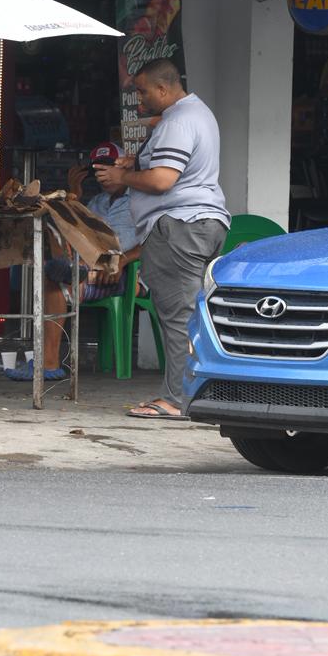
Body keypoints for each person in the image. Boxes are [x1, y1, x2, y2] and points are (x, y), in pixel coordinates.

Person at [95, 58, 229, 420]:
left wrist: (123, 179)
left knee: (177, 316)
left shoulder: (179, 121)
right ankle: (193, 394)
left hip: (179, 227)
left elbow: (162, 181)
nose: (139, 99)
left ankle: (176, 399)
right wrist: (133, 165)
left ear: (163, 89)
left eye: (142, 91)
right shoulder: (195, 114)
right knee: (191, 315)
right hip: (200, 223)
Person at [5, 142, 140, 382]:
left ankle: (49, 362)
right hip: (90, 267)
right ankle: (48, 361)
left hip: (122, 274)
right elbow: (79, 235)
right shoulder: (97, 201)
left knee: (57, 279)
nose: (102, 175)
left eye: (108, 168)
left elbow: (156, 239)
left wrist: (123, 260)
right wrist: (74, 192)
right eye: (97, 170)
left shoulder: (141, 200)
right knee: (52, 255)